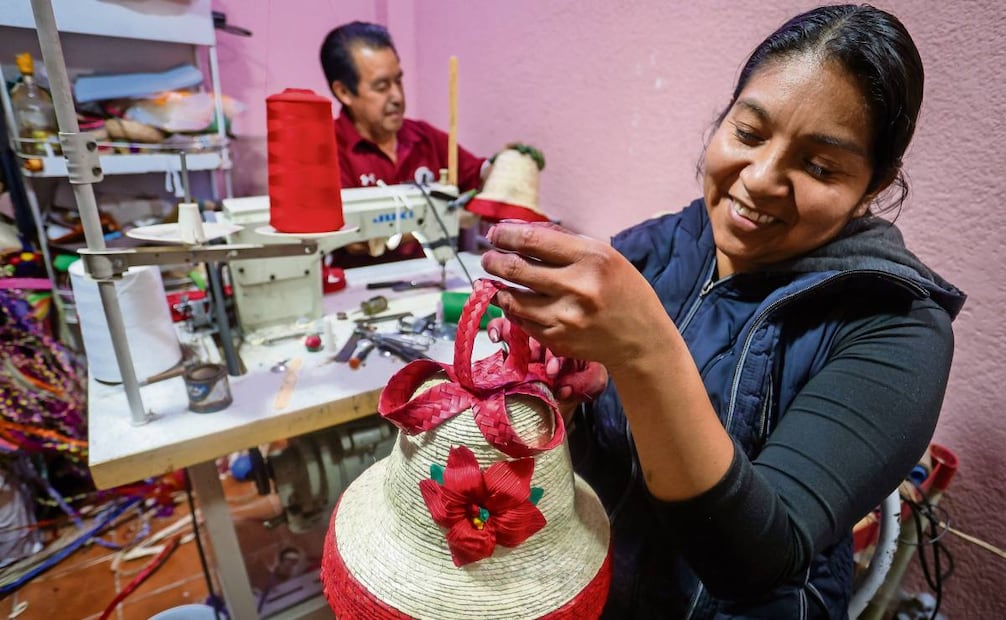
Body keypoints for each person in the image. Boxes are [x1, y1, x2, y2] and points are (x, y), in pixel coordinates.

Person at [480, 4, 966, 618]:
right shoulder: (653, 249)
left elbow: (754, 562)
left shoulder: (896, 327)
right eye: (749, 133)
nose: (761, 179)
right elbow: (594, 471)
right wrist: (564, 405)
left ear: (873, 185)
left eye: (819, 166)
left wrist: (644, 351)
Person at [319, 21, 489, 265]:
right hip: (361, 286)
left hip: (428, 274)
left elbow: (481, 174)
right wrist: (445, 219)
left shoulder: (424, 137)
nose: (397, 96)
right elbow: (350, 238)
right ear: (344, 92)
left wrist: (508, 166)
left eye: (398, 81)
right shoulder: (328, 152)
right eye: (381, 86)